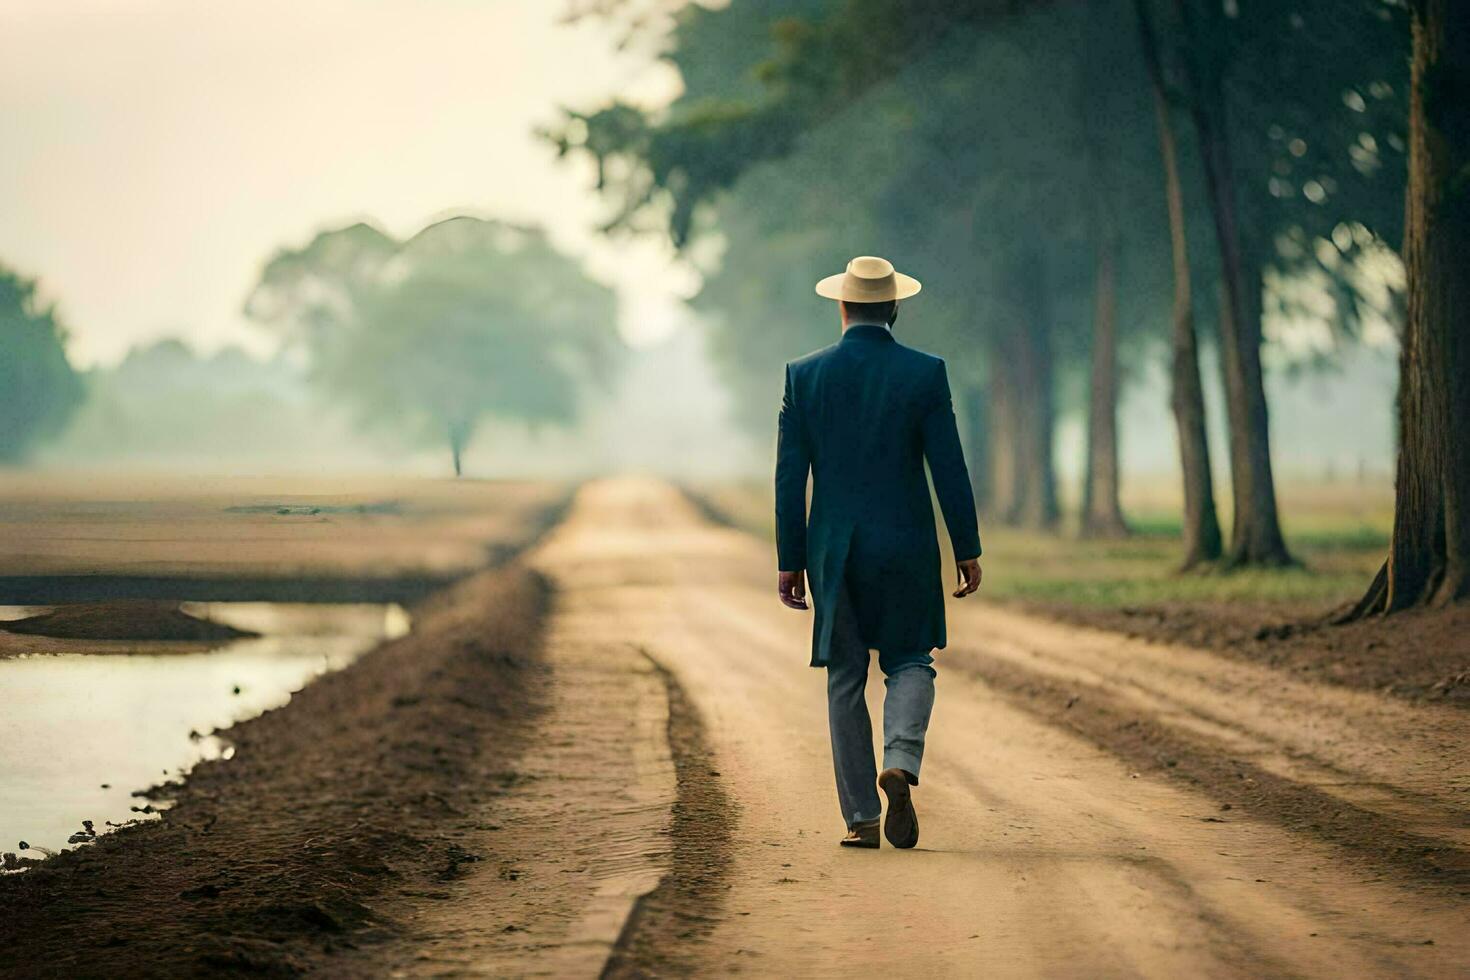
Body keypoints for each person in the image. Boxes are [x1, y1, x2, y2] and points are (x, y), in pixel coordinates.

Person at [775, 255, 982, 849]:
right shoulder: (926, 373)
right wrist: (966, 546)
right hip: (908, 547)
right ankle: (900, 758)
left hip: (834, 552)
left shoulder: (803, 377)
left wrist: (790, 560)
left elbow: (790, 480)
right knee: (911, 660)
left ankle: (862, 817)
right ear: (893, 307)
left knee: (845, 677)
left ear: (841, 306)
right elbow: (950, 468)